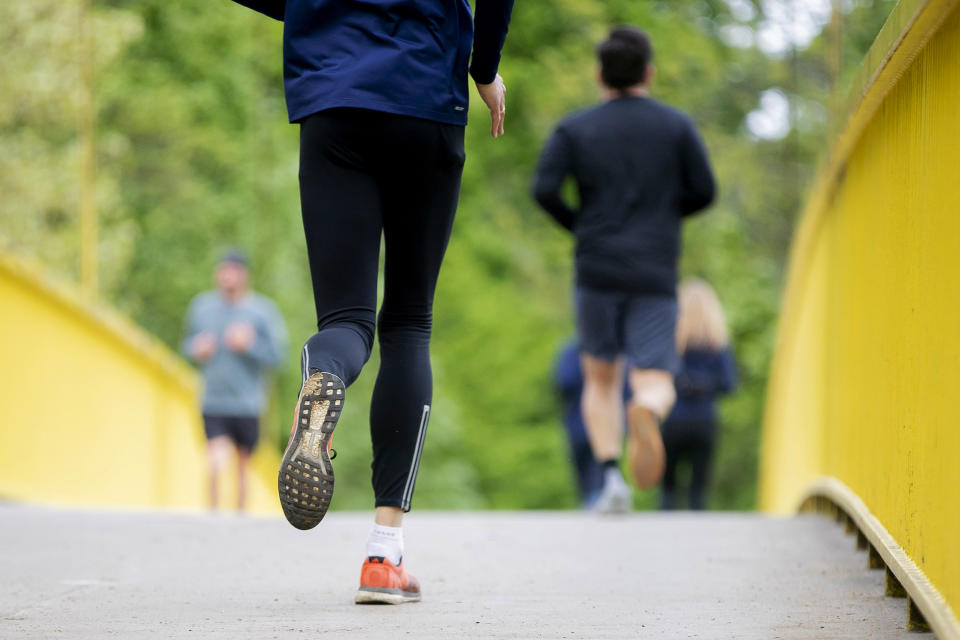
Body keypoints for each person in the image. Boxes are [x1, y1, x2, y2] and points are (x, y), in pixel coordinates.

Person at [229, 0, 514, 604]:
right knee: (408, 323)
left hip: (334, 99)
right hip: (426, 99)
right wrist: (482, 68)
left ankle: (323, 377)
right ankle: (384, 558)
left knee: (345, 319)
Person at [532, 26, 716, 512]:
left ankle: (611, 480)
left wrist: (582, 228)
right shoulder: (675, 126)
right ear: (648, 73)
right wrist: (663, 216)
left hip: (596, 270)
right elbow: (705, 190)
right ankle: (648, 409)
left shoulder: (575, 128)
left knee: (600, 378)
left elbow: (544, 189)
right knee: (654, 375)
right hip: (653, 271)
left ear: (600, 74)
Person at [182, 249, 287, 511]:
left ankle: (240, 519)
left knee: (242, 466)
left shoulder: (262, 311)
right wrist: (197, 348)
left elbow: (278, 355)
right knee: (216, 460)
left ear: (244, 275)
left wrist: (250, 345)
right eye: (222, 271)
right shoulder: (201, 307)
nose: (226, 277)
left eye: (232, 271)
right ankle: (213, 515)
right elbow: (187, 344)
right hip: (214, 399)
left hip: (248, 402)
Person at [660, 278, 737, 510]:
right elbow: (729, 384)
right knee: (698, 491)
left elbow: (659, 380)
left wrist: (683, 384)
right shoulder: (718, 347)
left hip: (673, 419)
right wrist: (705, 386)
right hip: (704, 420)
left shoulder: (670, 345)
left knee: (668, 490)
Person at [554, 340, 631, 510]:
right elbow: (625, 391)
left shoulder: (571, 352)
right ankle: (602, 498)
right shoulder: (619, 355)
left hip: (578, 424)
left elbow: (563, 383)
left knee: (585, 474)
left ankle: (592, 505)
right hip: (611, 425)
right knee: (605, 468)